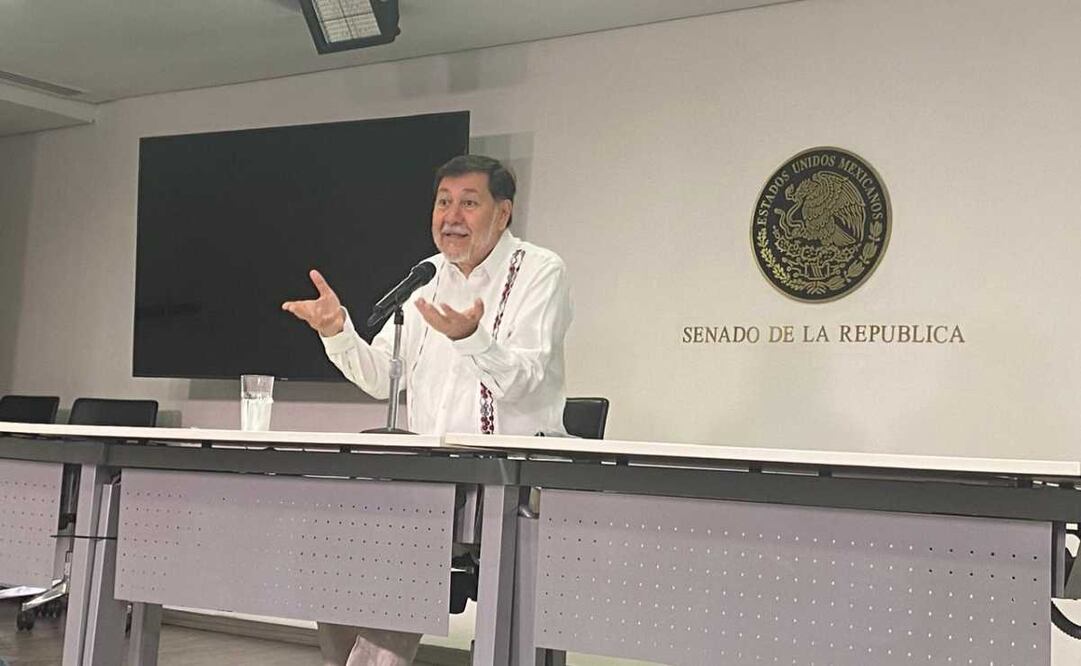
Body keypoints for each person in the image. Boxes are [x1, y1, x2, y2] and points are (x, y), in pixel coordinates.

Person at [282, 154, 573, 666]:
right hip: (426, 482)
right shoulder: (426, 276)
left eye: (468, 203)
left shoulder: (538, 271)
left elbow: (526, 380)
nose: (451, 216)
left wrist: (472, 340)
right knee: (332, 550)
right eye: (443, 203)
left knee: (399, 556)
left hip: (509, 484)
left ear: (502, 214)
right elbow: (382, 381)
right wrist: (337, 332)